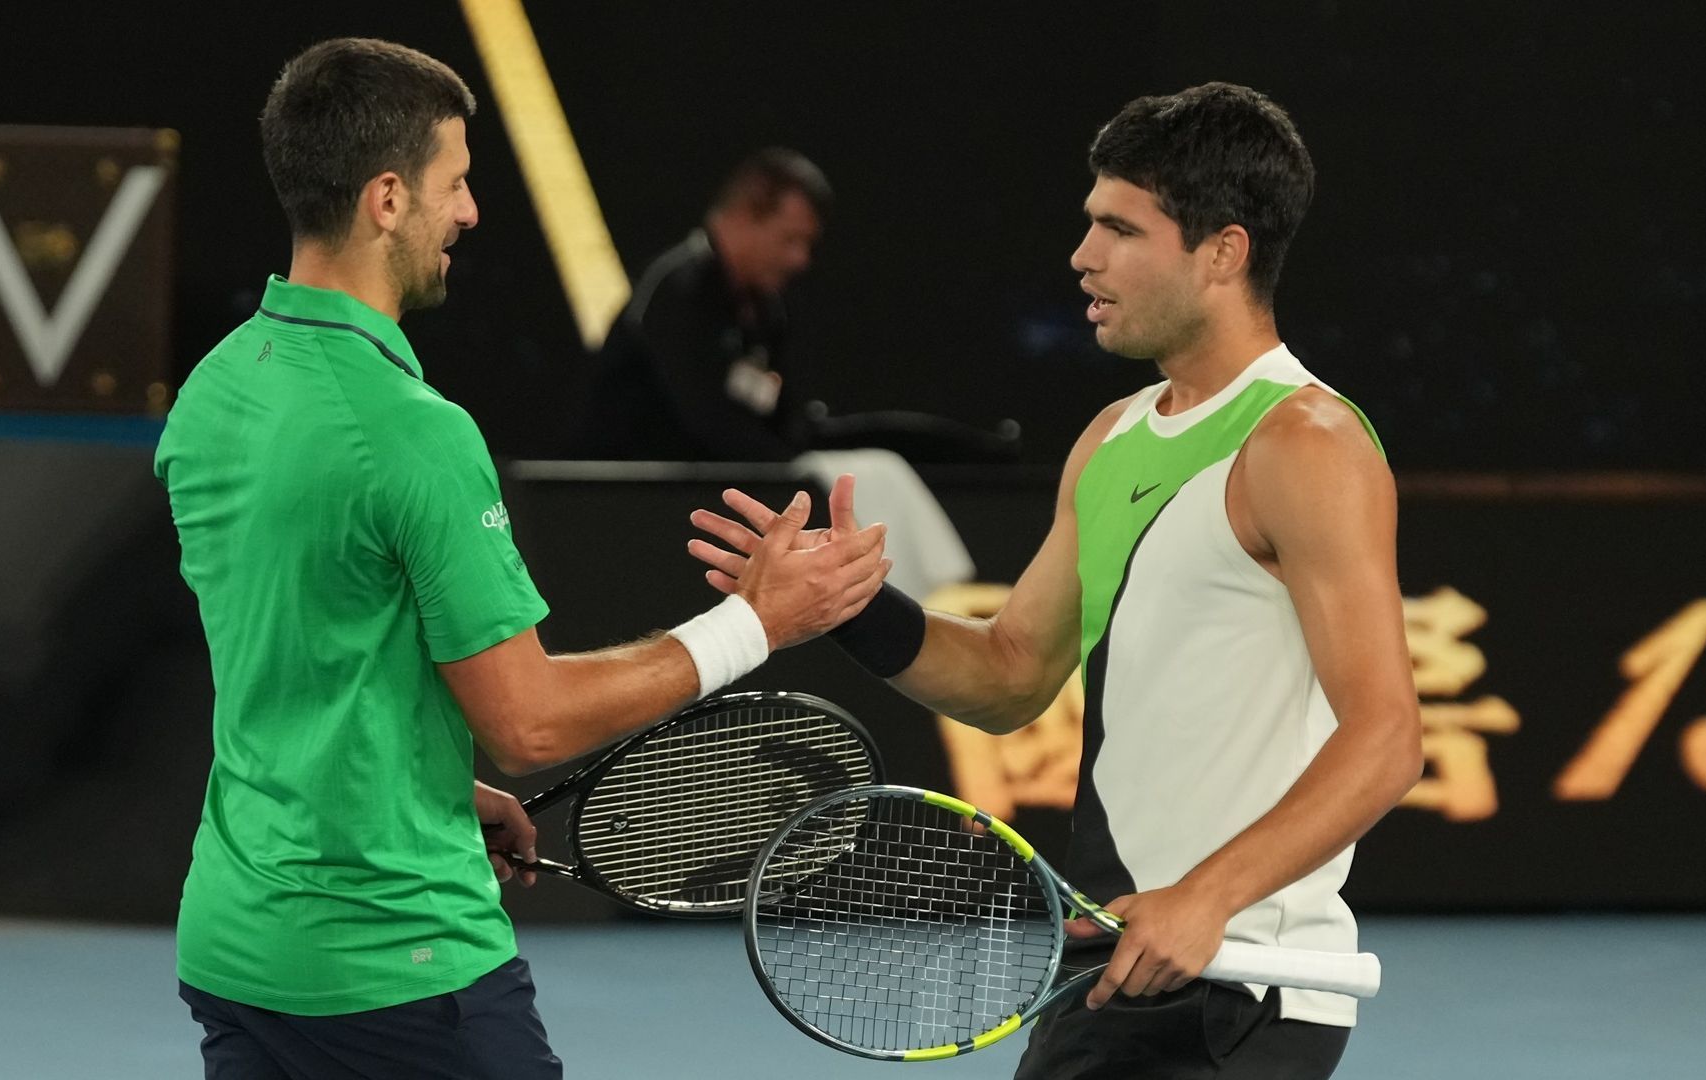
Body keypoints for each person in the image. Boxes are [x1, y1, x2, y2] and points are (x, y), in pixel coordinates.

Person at [154, 39, 887, 1079]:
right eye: (455, 185)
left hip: (239, 946)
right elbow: (529, 717)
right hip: (398, 966)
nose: (471, 213)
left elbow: (313, 657)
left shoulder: (215, 392)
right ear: (388, 199)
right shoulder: (413, 432)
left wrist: (441, 791)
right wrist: (755, 623)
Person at [690, 83, 1422, 1079]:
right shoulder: (1112, 439)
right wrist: (849, 608)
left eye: (1121, 230)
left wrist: (1205, 897)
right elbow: (1008, 674)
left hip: (1242, 986)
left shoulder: (1306, 443)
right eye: (1090, 226)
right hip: (1115, 966)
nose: (1085, 257)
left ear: (1224, 252)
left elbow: (1384, 737)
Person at [579, 147, 829, 461]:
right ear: (743, 216)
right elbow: (704, 420)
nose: (800, 259)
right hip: (623, 499)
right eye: (790, 240)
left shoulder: (767, 308)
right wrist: (793, 467)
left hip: (711, 496)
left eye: (807, 244)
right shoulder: (676, 288)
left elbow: (780, 420)